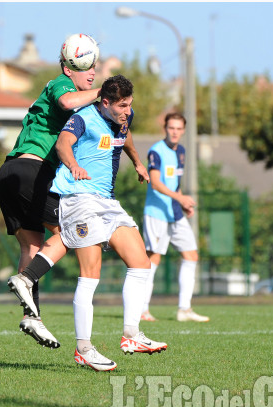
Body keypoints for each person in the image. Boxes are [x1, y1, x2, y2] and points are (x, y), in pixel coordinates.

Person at [50, 75, 167, 371]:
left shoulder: (124, 116)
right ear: (104, 103)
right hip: (79, 198)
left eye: (130, 104)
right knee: (91, 273)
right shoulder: (83, 118)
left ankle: (131, 335)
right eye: (122, 106)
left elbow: (125, 134)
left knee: (140, 262)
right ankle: (84, 348)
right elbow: (63, 145)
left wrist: (138, 162)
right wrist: (74, 165)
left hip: (107, 201)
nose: (127, 111)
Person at [0, 50, 102, 349]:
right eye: (84, 67)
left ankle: (33, 316)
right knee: (70, 232)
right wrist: (102, 93)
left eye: (94, 66)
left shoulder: (74, 100)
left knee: (32, 244)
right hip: (32, 169)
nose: (92, 72)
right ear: (68, 69)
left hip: (8, 172)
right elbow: (67, 101)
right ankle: (25, 280)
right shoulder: (60, 85)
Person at [141, 112, 209, 323]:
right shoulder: (156, 151)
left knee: (191, 255)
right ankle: (142, 310)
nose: (175, 132)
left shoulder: (181, 151)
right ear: (165, 128)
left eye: (179, 129)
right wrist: (181, 198)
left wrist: (183, 204)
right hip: (157, 213)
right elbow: (156, 182)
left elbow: (174, 183)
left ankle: (184, 309)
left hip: (175, 212)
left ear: (184, 131)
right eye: (172, 128)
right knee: (153, 259)